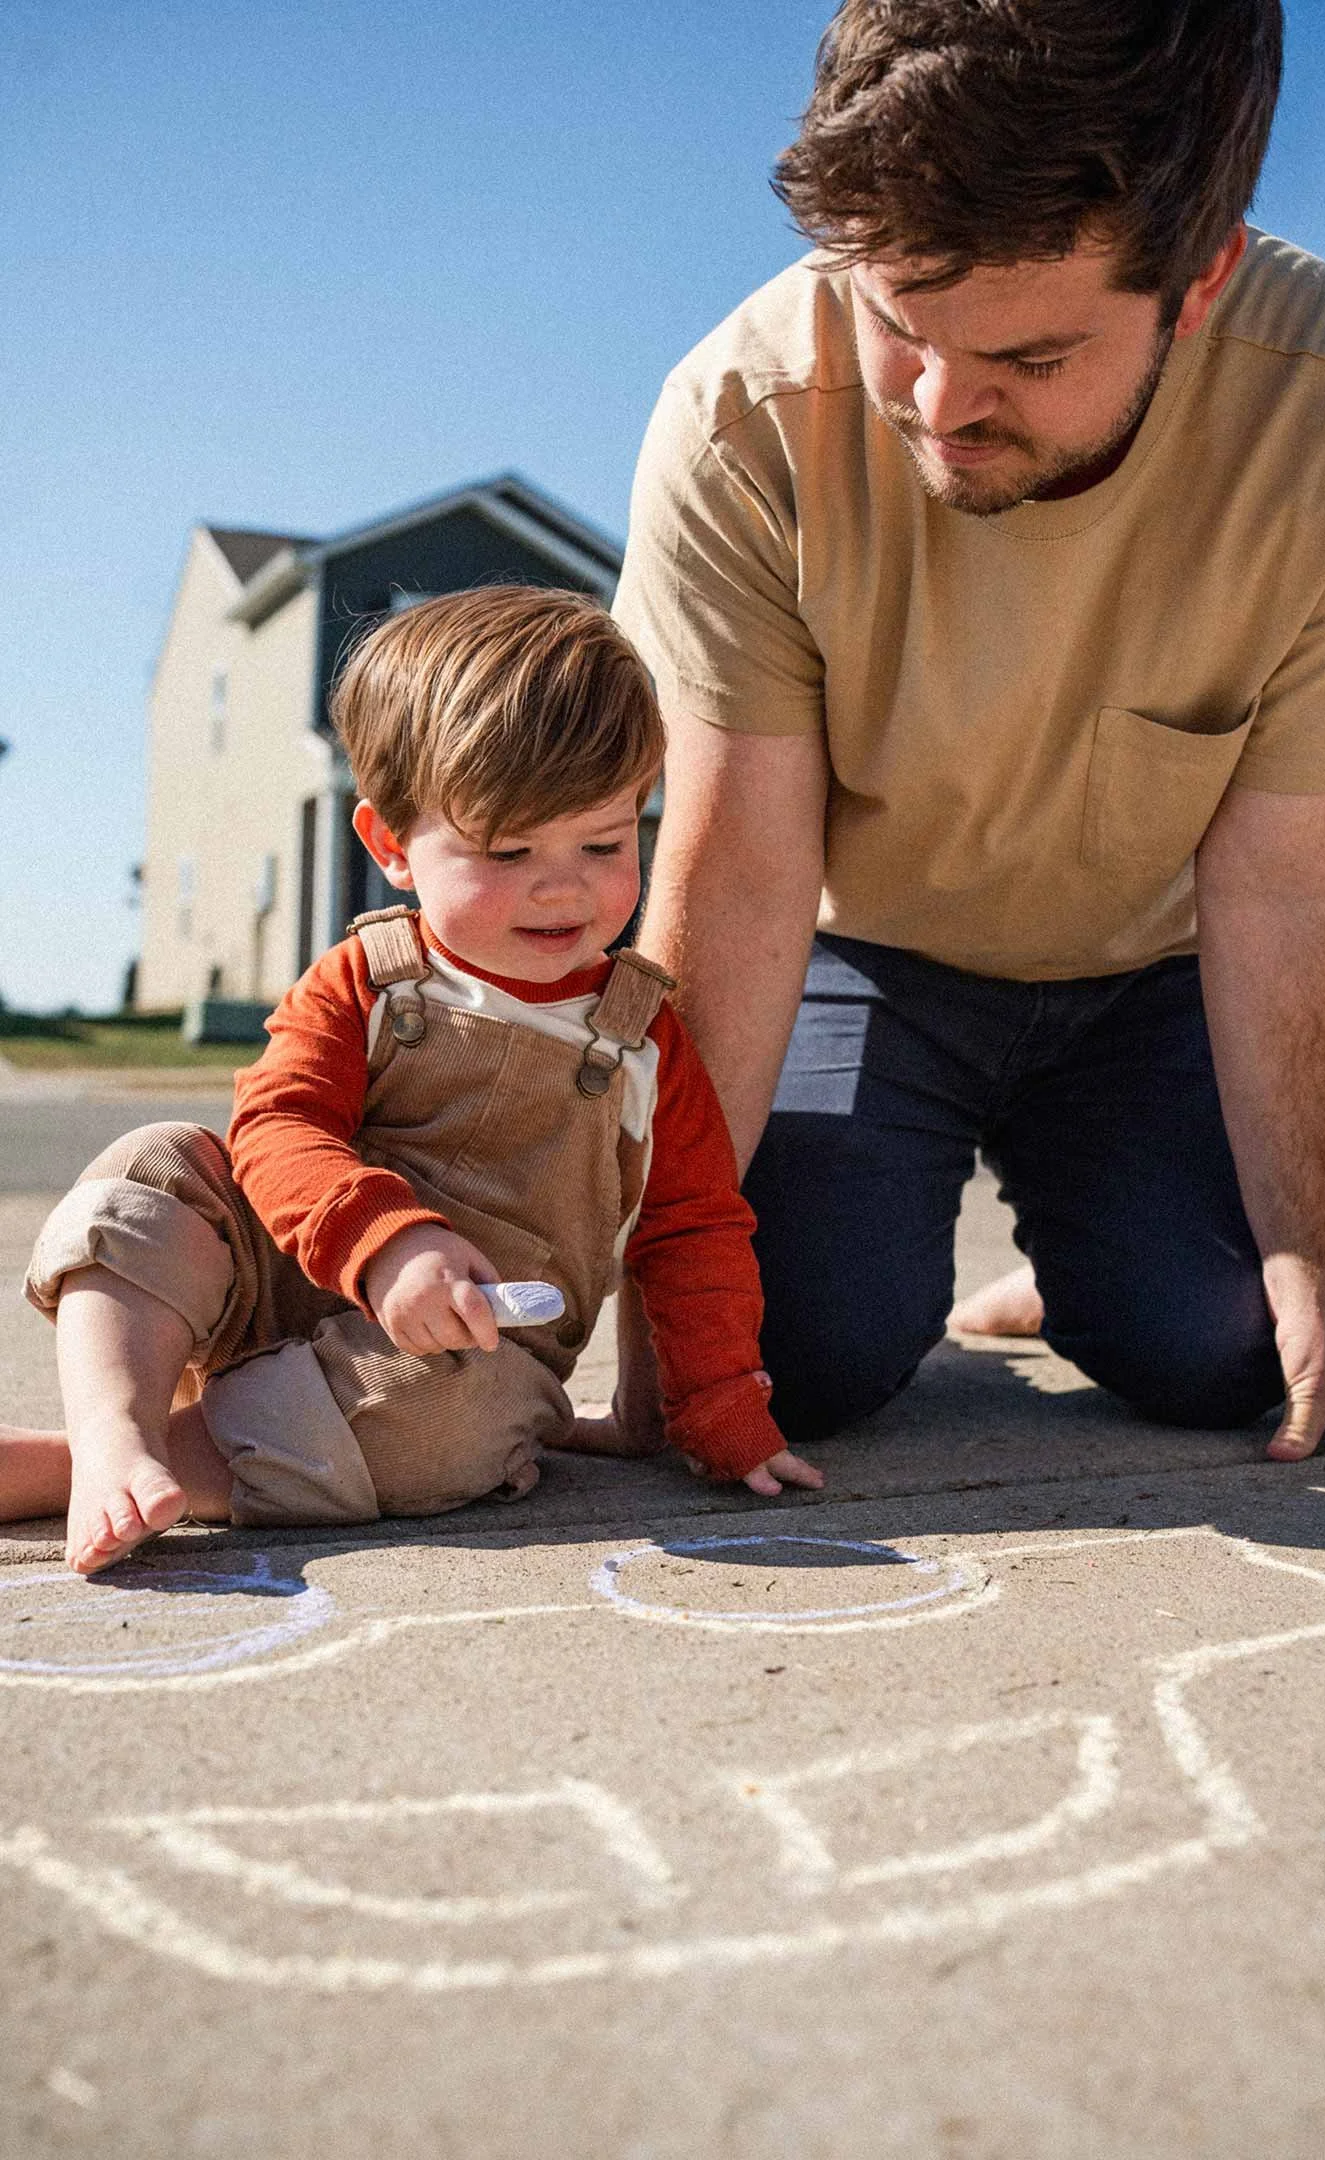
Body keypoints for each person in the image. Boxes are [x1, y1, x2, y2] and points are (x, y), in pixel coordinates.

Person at [611, 0, 1325, 1465]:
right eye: (895, 326)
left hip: (1149, 980)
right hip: (863, 961)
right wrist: (658, 1296)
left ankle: (1092, 1262)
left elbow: (1295, 872)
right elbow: (734, 870)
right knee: (784, 1346)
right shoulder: (742, 417)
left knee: (1221, 1347)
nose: (941, 406)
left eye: (1031, 358)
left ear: (1201, 280)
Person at [4, 587, 820, 1575]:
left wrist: (723, 1408)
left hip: (463, 1351)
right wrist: (386, 1241)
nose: (562, 884)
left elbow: (692, 1229)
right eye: (509, 851)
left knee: (453, 1432)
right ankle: (110, 1433)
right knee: (157, 1163)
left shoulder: (642, 1037)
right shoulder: (369, 981)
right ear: (393, 845)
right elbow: (278, 1127)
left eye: (603, 843)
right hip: (281, 1278)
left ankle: (105, 1468)